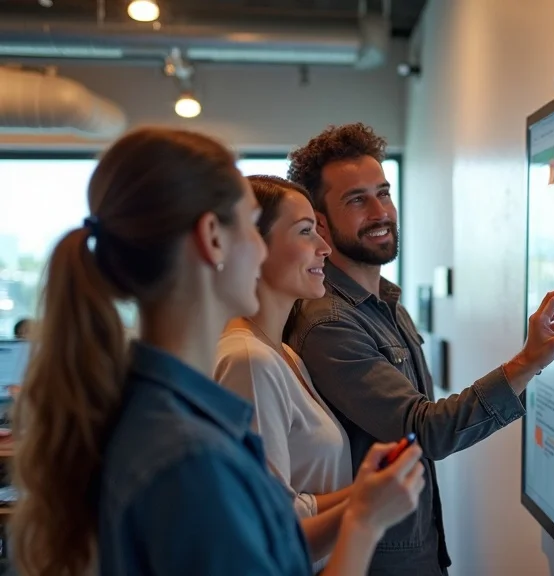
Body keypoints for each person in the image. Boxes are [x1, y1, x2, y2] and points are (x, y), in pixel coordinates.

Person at [10, 127, 426, 576]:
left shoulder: (168, 413)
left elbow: (267, 544)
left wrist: (359, 500)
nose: (262, 247)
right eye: (251, 223)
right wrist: (364, 523)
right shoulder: (189, 455)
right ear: (212, 238)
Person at [286, 123, 554, 575]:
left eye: (383, 193)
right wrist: (526, 362)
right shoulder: (329, 322)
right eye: (357, 200)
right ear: (321, 222)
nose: (380, 211)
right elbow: (422, 430)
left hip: (416, 547)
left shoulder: (385, 301)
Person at [214, 175, 355, 572]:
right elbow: (271, 526)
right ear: (254, 248)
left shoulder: (286, 354)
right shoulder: (248, 360)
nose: (325, 248)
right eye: (306, 231)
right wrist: (368, 499)